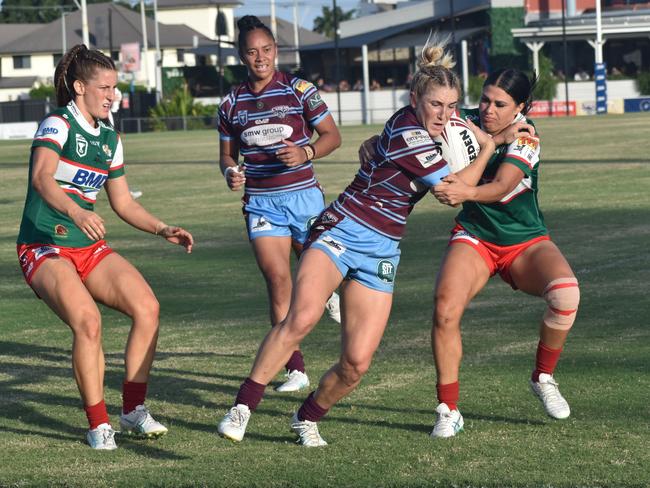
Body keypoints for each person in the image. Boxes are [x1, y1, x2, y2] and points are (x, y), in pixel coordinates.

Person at [217, 36, 496, 446]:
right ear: (416, 97)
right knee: (302, 318)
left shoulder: (434, 129)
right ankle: (242, 408)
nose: (445, 114)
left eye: (451, 106)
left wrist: (479, 135)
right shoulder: (409, 131)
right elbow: (451, 192)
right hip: (343, 228)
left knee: (356, 363)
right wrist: (488, 148)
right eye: (436, 104)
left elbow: (443, 153)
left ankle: (305, 417)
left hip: (383, 248)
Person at [16, 44, 194, 450]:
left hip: (87, 247)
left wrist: (162, 228)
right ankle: (98, 425)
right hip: (44, 247)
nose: (112, 95)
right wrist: (77, 213)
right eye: (104, 87)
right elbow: (43, 179)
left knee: (147, 308)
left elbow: (124, 202)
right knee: (88, 323)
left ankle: (133, 411)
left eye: (115, 87)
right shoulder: (57, 124)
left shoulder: (110, 137)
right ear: (80, 87)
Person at [429, 68, 580, 437]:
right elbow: (415, 119)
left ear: (522, 107)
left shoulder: (528, 137)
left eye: (500, 104)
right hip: (476, 236)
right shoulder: (462, 119)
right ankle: (448, 410)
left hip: (524, 240)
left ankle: (543, 377)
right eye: (484, 99)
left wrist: (464, 192)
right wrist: (374, 141)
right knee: (445, 310)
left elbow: (501, 186)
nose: (488, 109)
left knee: (566, 294)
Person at [218, 15, 342, 393]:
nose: (261, 58)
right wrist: (230, 173)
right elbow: (226, 156)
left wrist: (306, 152)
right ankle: (296, 368)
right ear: (242, 56)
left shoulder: (300, 89)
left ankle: (328, 296)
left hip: (304, 197)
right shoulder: (231, 102)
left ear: (276, 51)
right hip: (261, 204)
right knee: (278, 281)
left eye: (267, 50)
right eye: (253, 52)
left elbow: (332, 137)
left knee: (313, 268)